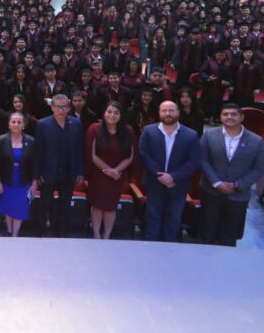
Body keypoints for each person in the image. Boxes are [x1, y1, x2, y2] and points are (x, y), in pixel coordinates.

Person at [198, 103, 264, 247]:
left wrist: (237, 185)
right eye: (226, 114)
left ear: (242, 117)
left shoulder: (256, 140)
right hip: (211, 192)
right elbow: (202, 159)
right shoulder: (209, 135)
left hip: (238, 195)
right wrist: (217, 182)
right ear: (221, 117)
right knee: (207, 232)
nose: (230, 117)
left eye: (234, 114)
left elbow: (259, 168)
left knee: (229, 236)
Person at [138, 100, 202, 242]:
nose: (168, 113)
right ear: (159, 113)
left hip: (178, 186)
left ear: (178, 112)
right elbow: (144, 154)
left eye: (171, 110)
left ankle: (170, 250)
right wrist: (160, 175)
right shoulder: (148, 131)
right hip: (154, 184)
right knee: (152, 218)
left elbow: (194, 160)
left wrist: (173, 177)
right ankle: (151, 249)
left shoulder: (191, 135)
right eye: (164, 110)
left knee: (174, 220)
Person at [33, 93, 85, 237]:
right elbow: (38, 151)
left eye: (64, 107)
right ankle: (40, 235)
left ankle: (62, 235)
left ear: (69, 107)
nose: (61, 110)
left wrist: (80, 172)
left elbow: (80, 149)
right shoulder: (43, 124)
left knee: (65, 206)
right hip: (48, 172)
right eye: (58, 107)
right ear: (52, 107)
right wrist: (37, 175)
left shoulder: (76, 123)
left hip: (69, 172)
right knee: (44, 205)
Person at [87, 101, 135, 239]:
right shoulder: (94, 129)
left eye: (116, 112)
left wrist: (116, 171)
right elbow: (93, 155)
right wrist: (108, 170)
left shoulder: (128, 131)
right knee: (97, 205)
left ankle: (107, 235)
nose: (112, 115)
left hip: (117, 176)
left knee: (111, 206)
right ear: (104, 113)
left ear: (121, 115)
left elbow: (130, 156)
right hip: (98, 174)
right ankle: (96, 234)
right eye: (109, 112)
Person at [0, 112, 36, 237]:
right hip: (6, 179)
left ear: (23, 125)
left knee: (20, 207)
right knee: (8, 206)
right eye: (13, 122)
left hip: (23, 180)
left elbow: (35, 164)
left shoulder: (31, 141)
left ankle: (15, 235)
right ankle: (9, 231)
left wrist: (34, 183)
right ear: (9, 124)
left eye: (19, 122)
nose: (16, 124)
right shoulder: (1, 140)